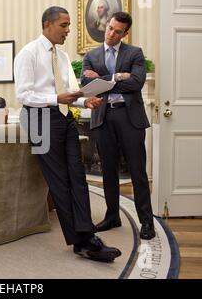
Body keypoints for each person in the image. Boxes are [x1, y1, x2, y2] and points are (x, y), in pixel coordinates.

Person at [14, 6, 122, 262]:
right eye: (64, 25)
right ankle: (81, 241)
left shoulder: (61, 57)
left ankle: (88, 237)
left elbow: (70, 93)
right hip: (38, 119)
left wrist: (85, 102)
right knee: (59, 180)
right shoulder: (28, 53)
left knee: (77, 176)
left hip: (63, 117)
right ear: (47, 24)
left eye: (69, 25)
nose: (68, 30)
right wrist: (55, 97)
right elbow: (23, 95)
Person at [81, 12, 155, 240]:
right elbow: (87, 86)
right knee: (108, 172)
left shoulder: (135, 53)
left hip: (129, 118)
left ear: (125, 33)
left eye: (117, 31)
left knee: (137, 171)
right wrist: (118, 76)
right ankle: (112, 215)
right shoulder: (91, 55)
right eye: (110, 28)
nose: (111, 34)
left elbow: (136, 83)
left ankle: (146, 222)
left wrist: (103, 79)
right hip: (104, 118)